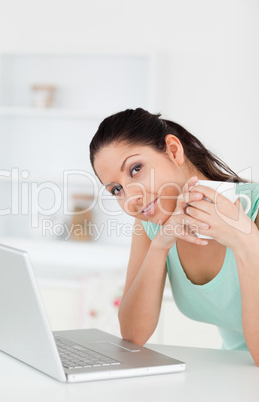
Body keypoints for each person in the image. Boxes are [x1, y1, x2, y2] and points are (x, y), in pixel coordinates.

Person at [89, 108, 259, 366]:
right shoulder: (153, 221)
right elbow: (133, 335)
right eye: (117, 189)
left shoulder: (254, 208)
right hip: (234, 375)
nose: (131, 198)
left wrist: (246, 242)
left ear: (173, 150)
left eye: (136, 169)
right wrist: (160, 246)